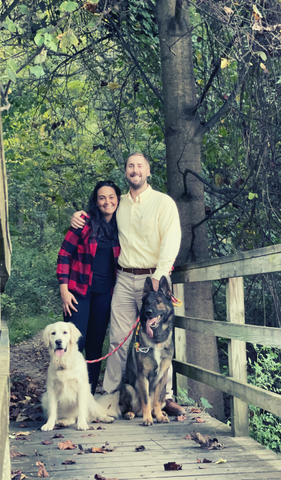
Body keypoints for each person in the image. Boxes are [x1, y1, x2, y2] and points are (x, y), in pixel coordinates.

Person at [71, 153, 185, 416]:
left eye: (140, 166)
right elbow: (96, 215)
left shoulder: (162, 202)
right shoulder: (117, 202)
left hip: (153, 281)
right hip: (123, 277)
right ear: (126, 172)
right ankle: (110, 397)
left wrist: (161, 273)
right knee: (119, 340)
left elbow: (171, 239)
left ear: (148, 171)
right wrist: (77, 217)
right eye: (130, 166)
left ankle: (164, 398)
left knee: (159, 338)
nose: (135, 170)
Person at [57, 180, 121, 395]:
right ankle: (65, 395)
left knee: (95, 348)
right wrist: (64, 289)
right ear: (96, 201)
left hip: (105, 294)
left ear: (118, 200)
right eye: (102, 197)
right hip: (78, 293)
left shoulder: (123, 226)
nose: (107, 201)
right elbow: (65, 253)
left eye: (111, 197)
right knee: (74, 344)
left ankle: (88, 396)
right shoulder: (84, 223)